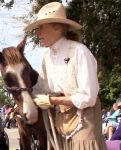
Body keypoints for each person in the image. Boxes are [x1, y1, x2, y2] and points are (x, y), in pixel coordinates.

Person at [24, 2, 106, 150]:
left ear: (57, 27)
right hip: (61, 120)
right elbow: (41, 87)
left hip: (85, 120)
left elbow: (89, 97)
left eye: (41, 27)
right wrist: (22, 94)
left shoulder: (79, 51)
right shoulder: (47, 57)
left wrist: (52, 100)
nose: (38, 33)